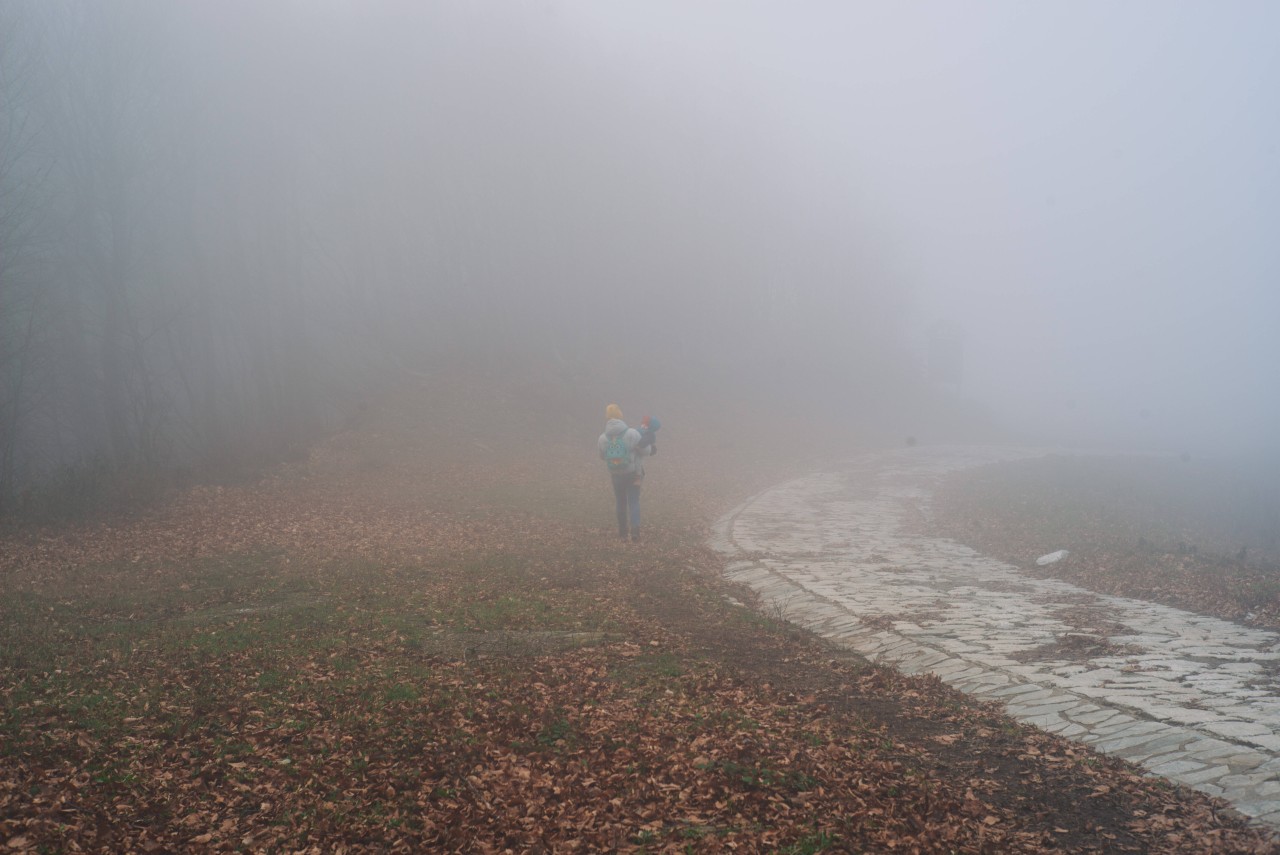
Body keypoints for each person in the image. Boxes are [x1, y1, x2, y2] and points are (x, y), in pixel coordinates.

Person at [598, 404, 651, 541]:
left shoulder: (603, 438)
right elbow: (646, 451)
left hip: (616, 474)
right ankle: (635, 533)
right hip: (633, 473)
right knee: (633, 501)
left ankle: (622, 534)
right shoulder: (632, 433)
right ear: (620, 415)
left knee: (620, 502)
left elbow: (602, 456)